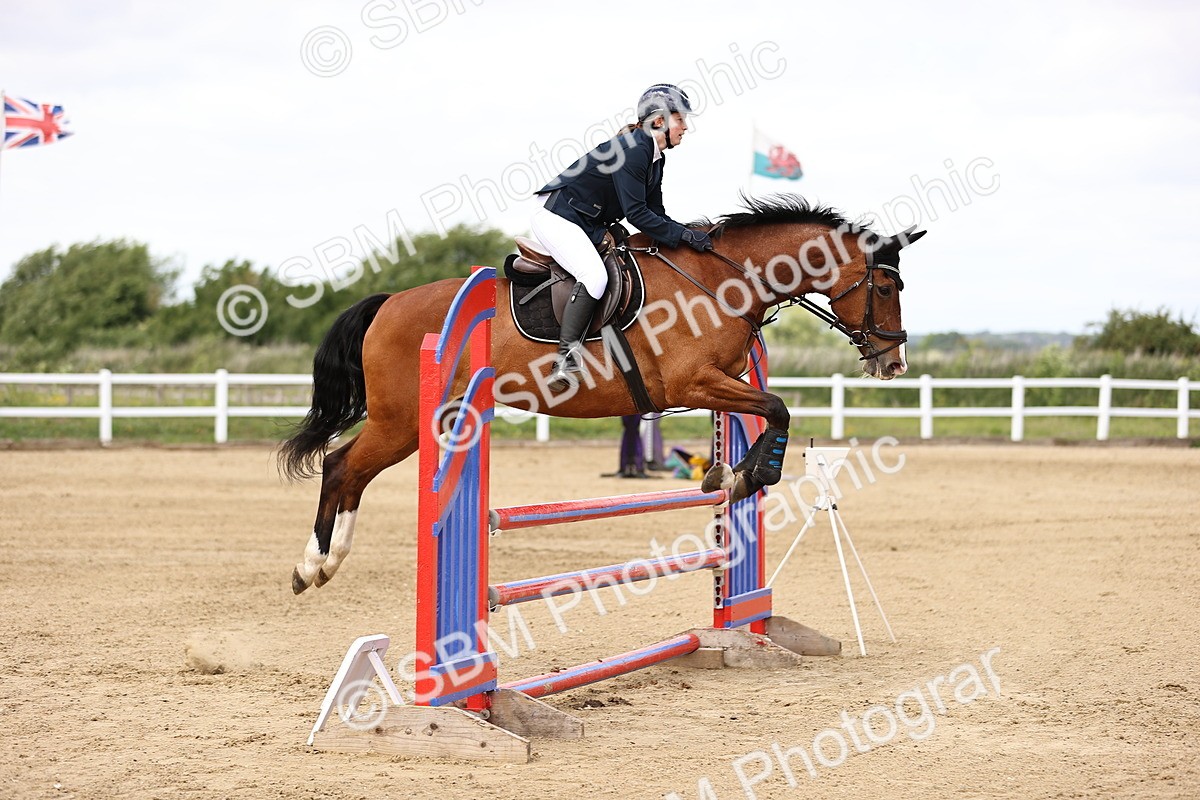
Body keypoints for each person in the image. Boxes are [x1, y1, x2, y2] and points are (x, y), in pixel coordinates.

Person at [531, 83, 715, 392]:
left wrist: (688, 237)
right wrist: (684, 235)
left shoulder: (655, 156)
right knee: (594, 277)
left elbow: (656, 212)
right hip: (556, 216)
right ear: (658, 121)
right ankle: (565, 360)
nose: (685, 126)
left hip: (583, 218)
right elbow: (637, 215)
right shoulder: (634, 149)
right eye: (680, 118)